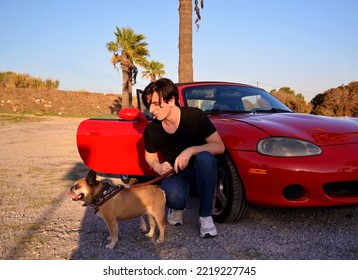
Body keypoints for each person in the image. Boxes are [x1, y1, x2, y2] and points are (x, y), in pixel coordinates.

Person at [141, 78, 225, 238]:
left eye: (156, 104)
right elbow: (149, 155)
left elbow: (219, 146)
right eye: (149, 104)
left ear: (171, 100)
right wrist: (158, 167)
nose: (152, 109)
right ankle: (177, 207)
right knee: (173, 195)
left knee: (205, 158)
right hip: (176, 173)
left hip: (201, 172)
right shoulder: (152, 129)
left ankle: (206, 216)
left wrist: (191, 150)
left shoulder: (195, 116)